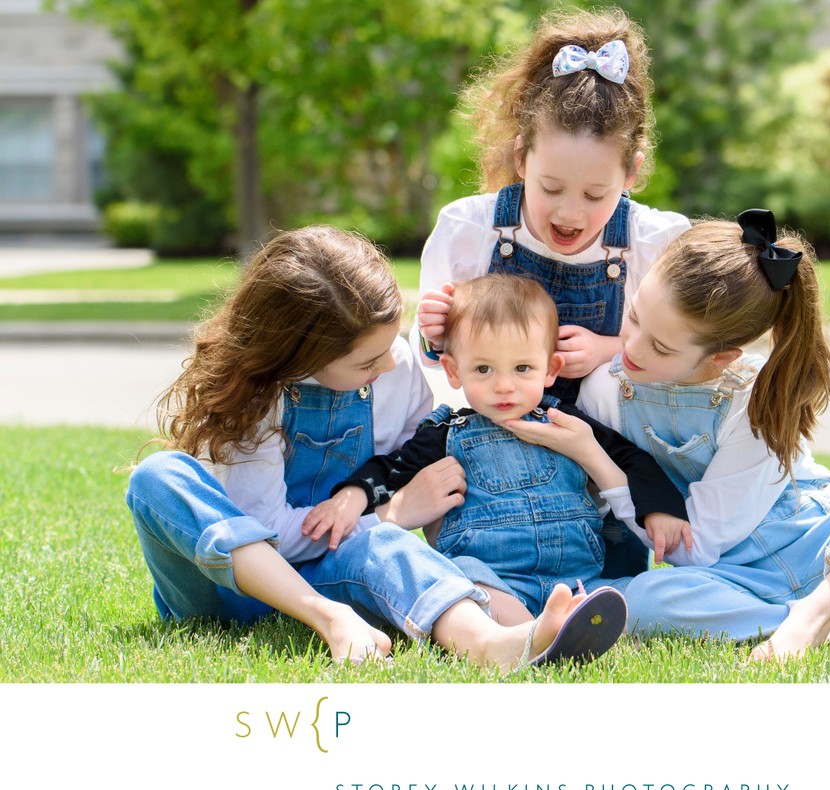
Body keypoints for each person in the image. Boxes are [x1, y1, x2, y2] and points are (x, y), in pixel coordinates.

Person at [124, 225, 626, 672]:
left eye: (389, 345)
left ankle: (495, 643)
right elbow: (268, 534)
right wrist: (392, 513)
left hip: (334, 573)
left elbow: (405, 463)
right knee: (157, 476)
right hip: (227, 595)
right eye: (367, 361)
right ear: (305, 357)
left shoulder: (396, 366)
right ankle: (328, 617)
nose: (389, 365)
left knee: (388, 547)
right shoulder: (258, 399)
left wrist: (376, 511)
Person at [513, 209, 830, 661]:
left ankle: (812, 619)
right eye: (635, 317)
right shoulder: (607, 391)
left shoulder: (753, 396)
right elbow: (683, 557)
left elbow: (697, 543)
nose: (632, 348)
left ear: (721, 357)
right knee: (635, 597)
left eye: (661, 346)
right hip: (734, 587)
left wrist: (606, 470)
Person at [315, 274, 688, 624]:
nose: (504, 386)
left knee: (639, 595)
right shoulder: (445, 433)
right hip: (495, 580)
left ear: (550, 369)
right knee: (464, 581)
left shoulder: (569, 423)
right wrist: (354, 494)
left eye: (522, 368)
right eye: (483, 370)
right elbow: (392, 469)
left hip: (578, 577)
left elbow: (631, 457)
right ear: (454, 370)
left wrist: (660, 508)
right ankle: (532, 633)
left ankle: (570, 621)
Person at [415, 4, 691, 408]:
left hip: (604, 446)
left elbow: (684, 359)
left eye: (595, 195)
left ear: (631, 174)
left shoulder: (654, 244)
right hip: (493, 435)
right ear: (521, 157)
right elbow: (437, 370)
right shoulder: (470, 230)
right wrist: (433, 334)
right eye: (551, 188)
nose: (569, 213)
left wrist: (609, 349)